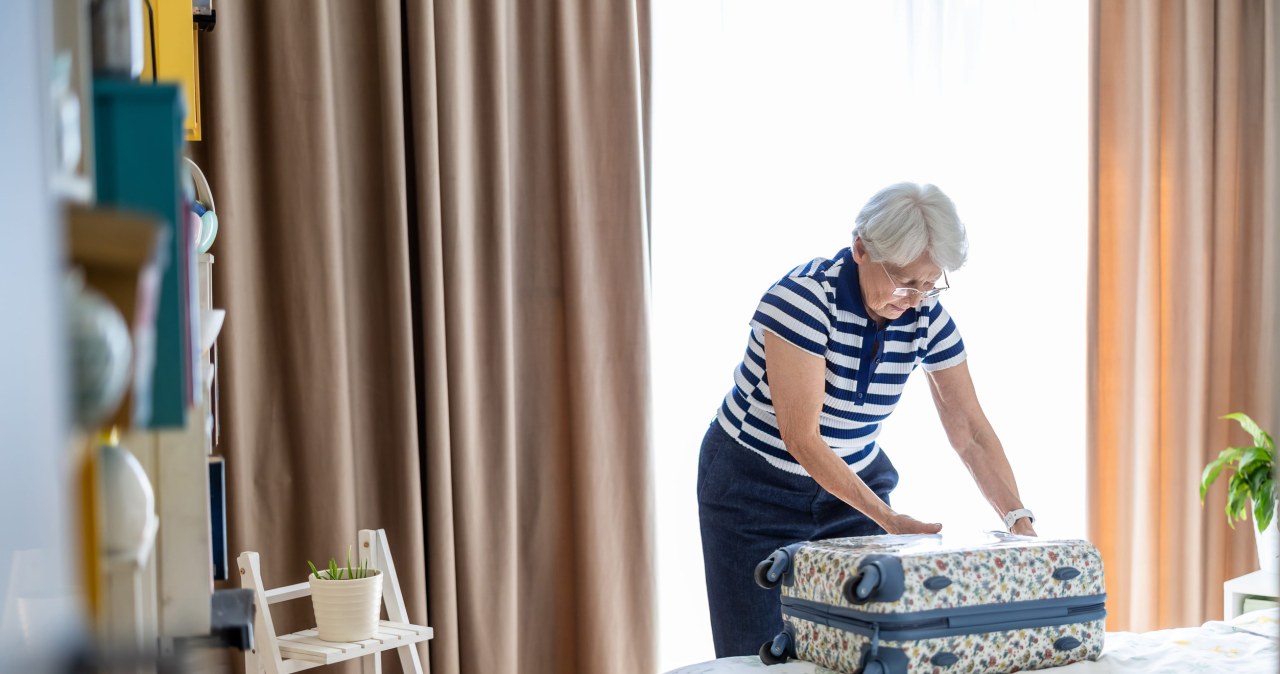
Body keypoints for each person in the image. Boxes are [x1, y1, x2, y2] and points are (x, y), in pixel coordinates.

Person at [696, 182, 1038, 658]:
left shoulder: (926, 315)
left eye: (930, 283)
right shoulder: (803, 301)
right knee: (760, 655)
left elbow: (971, 432)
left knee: (863, 646)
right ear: (860, 248)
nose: (916, 298)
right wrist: (886, 517)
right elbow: (802, 439)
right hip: (755, 487)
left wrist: (1018, 520)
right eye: (904, 281)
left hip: (852, 480)